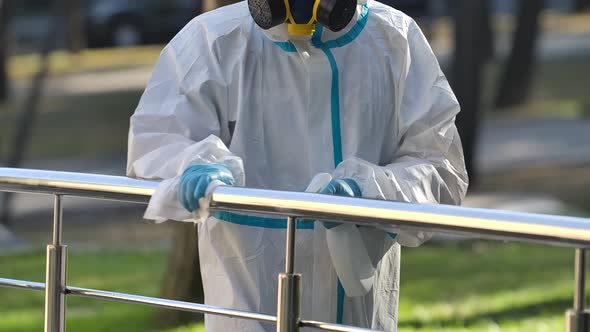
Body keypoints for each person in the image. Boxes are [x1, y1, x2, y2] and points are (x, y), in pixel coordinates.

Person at [126, 0, 469, 329]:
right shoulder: (211, 40)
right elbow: (157, 139)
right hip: (246, 304)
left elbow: (439, 166)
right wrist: (192, 166)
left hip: (356, 314)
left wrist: (367, 191)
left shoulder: (395, 39)